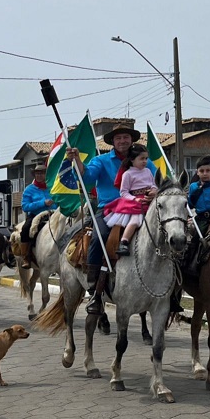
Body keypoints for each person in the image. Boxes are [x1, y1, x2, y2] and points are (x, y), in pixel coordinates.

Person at [65, 123, 157, 315]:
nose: (122, 141)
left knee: (166, 234)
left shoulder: (144, 160)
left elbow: (157, 181)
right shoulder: (101, 160)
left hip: (141, 208)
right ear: (113, 142)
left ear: (131, 140)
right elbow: (87, 177)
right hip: (109, 209)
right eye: (118, 138)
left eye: (125, 137)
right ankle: (93, 288)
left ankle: (170, 289)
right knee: (99, 236)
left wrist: (154, 193)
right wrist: (77, 162)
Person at [104, 144, 157, 257]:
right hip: (135, 203)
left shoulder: (148, 171)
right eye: (141, 158)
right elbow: (123, 192)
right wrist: (135, 199)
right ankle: (124, 242)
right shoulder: (127, 174)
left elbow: (153, 185)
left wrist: (153, 191)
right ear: (132, 159)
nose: (145, 161)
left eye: (146, 158)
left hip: (150, 200)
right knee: (136, 221)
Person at [18, 164, 58, 269]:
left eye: (42, 173)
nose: (39, 175)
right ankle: (26, 257)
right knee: (25, 229)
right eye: (37, 173)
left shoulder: (53, 187)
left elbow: (59, 200)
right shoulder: (29, 189)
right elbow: (25, 206)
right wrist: (43, 203)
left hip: (54, 214)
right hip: (36, 216)